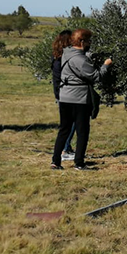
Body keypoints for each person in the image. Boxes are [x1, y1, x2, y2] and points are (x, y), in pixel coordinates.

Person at [51, 29, 112, 170]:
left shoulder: (66, 53)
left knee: (64, 129)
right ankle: (79, 163)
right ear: (82, 41)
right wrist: (106, 65)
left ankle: (55, 161)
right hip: (79, 98)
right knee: (82, 131)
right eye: (89, 41)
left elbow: (80, 57)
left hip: (64, 97)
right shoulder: (81, 59)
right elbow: (96, 77)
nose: (90, 43)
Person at [51, 30, 76, 161]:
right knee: (69, 124)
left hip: (61, 93)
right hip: (66, 93)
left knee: (68, 123)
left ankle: (67, 147)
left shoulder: (57, 56)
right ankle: (64, 150)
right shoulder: (63, 58)